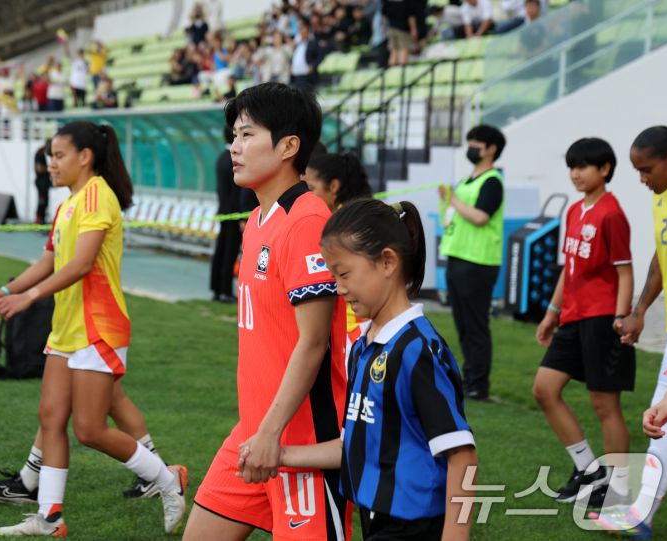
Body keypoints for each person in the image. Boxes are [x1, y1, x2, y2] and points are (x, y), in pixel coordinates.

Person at [0, 121, 187, 536]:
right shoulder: (68, 203)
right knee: (51, 418)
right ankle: (50, 518)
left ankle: (168, 480)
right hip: (67, 328)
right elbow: (49, 260)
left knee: (89, 429)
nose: (50, 163)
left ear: (84, 157)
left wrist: (28, 298)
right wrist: (4, 289)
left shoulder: (97, 197)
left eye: (58, 155)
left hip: (98, 328)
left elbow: (81, 264)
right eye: (50, 156)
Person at [239, 198, 477, 541]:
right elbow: (355, 445)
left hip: (416, 527)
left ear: (387, 262)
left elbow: (463, 456)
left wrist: (456, 536)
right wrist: (281, 454)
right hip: (377, 521)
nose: (338, 287)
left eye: (344, 273)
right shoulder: (363, 347)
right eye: (333, 275)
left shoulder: (416, 351)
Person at [182, 82, 352, 540]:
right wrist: (259, 434)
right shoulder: (258, 220)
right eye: (234, 136)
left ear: (288, 146)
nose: (233, 147)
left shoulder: (307, 220)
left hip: (302, 443)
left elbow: (313, 341)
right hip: (252, 436)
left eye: (246, 135)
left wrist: (272, 434)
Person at [533, 138, 635, 507]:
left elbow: (625, 272)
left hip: (603, 319)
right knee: (544, 389)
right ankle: (588, 471)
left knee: (605, 405)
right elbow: (569, 268)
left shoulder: (612, 214)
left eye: (584, 166)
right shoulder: (574, 211)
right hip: (572, 318)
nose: (576, 173)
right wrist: (551, 313)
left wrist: (621, 317)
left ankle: (619, 490)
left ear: (604, 169)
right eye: (572, 167)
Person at [588, 126, 667, 539]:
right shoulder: (662, 197)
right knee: (664, 420)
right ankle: (641, 512)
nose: (642, 178)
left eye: (647, 168)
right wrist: (640, 311)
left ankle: (640, 511)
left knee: (661, 418)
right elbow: (662, 256)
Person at [0, 381, 174, 503]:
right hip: (80, 326)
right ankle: (40, 500)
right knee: (108, 395)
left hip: (92, 327)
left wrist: (28, 309)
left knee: (88, 426)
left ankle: (163, 477)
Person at [438, 124, 506, 401]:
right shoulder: (468, 180)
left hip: (478, 262)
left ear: (491, 149)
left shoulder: (492, 181)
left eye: (477, 142)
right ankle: (469, 379)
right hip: (459, 257)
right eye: (470, 141)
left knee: (475, 325)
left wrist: (453, 200)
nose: (472, 146)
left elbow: (480, 216)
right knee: (463, 324)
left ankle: (478, 383)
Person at [304, 152, 373, 347]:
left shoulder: (343, 226)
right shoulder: (355, 215)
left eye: (311, 189)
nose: (306, 196)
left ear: (334, 186)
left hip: (354, 330)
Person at [210, 125, 244, 303]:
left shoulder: (221, 158)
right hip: (232, 213)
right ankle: (224, 291)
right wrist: (240, 215)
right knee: (229, 253)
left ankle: (216, 289)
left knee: (221, 251)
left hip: (224, 211)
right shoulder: (232, 160)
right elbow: (238, 191)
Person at [34, 141, 51, 225]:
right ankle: (38, 221)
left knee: (45, 202)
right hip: (41, 183)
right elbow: (39, 168)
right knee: (42, 202)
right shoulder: (40, 153)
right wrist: (49, 168)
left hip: (45, 183)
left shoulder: (44, 153)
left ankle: (42, 220)